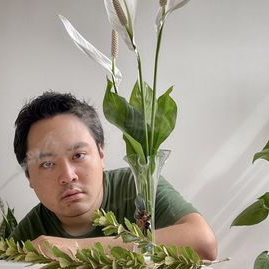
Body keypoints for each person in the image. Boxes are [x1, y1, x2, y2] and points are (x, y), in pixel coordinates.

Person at [11, 91, 217, 260]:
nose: (68, 176)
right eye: (48, 164)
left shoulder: (138, 185)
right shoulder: (29, 235)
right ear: (29, 176)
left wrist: (74, 248)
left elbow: (204, 244)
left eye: (78, 155)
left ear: (101, 154)